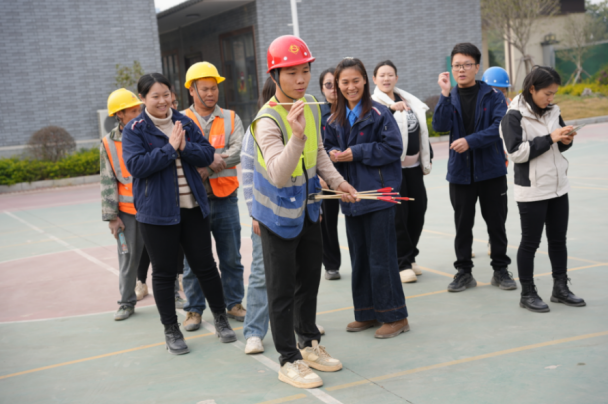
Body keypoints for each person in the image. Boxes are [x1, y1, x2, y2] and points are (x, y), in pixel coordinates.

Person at [251, 35, 358, 389]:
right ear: (275, 75)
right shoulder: (266, 120)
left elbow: (320, 152)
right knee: (281, 290)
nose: (301, 79)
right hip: (276, 217)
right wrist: (296, 137)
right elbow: (279, 174)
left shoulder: (310, 104)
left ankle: (308, 344)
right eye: (291, 73)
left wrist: (339, 182)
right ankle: (288, 359)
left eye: (305, 71)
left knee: (309, 282)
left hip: (310, 211)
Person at [123, 73, 236, 355]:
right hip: (156, 214)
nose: (163, 101)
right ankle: (171, 330)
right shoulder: (135, 129)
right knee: (163, 273)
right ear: (143, 98)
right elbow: (137, 166)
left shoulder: (183, 122)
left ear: (173, 95)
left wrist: (185, 146)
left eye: (166, 94)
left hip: (193, 208)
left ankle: (221, 318)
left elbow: (208, 154)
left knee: (206, 266)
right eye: (155, 96)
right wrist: (170, 148)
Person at [325, 57, 409, 339]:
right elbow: (326, 150)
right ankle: (367, 312)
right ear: (337, 85)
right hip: (351, 197)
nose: (351, 87)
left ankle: (396, 316)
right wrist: (332, 156)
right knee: (359, 257)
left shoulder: (379, 113)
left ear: (365, 81)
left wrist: (356, 152)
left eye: (355, 81)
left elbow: (394, 148)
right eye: (344, 82)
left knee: (381, 257)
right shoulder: (333, 119)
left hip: (379, 196)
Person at [500, 66, 585, 313]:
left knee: (558, 240)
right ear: (532, 89)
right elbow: (516, 153)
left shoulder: (553, 111)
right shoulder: (513, 116)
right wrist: (550, 138)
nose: (551, 98)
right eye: (547, 93)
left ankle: (560, 288)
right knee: (530, 243)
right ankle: (527, 293)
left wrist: (565, 140)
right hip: (532, 189)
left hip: (558, 186)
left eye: (554, 94)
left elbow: (558, 144)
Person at [432, 43, 516, 293]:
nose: (461, 70)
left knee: (496, 224)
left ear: (477, 67)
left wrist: (470, 141)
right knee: (462, 225)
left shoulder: (493, 96)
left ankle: (500, 270)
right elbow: (439, 126)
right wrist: (444, 94)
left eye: (466, 65)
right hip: (460, 173)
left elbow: (499, 127)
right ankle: (464, 273)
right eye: (456, 65)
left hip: (491, 171)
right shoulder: (450, 96)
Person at [179, 62, 247, 332]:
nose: (210, 93)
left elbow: (240, 150)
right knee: (192, 260)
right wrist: (214, 158)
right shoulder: (179, 119)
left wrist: (208, 165)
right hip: (192, 202)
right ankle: (193, 310)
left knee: (231, 256)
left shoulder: (231, 118)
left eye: (214, 88)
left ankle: (234, 303)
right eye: (205, 89)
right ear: (191, 90)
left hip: (225, 197)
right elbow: (178, 154)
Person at [371, 60, 434, 284]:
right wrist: (390, 109)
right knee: (398, 217)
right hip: (391, 171)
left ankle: (410, 255)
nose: (386, 79)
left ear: (396, 78)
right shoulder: (373, 104)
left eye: (390, 75)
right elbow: (373, 126)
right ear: (374, 79)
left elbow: (420, 130)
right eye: (382, 75)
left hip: (414, 169)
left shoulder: (408, 99)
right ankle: (402, 262)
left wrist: (427, 155)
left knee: (418, 211)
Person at [100, 88, 144, 321]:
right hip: (127, 214)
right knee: (127, 259)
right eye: (133, 111)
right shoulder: (108, 143)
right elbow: (107, 181)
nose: (138, 114)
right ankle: (127, 302)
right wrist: (112, 217)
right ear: (119, 114)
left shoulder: (150, 132)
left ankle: (174, 296)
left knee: (165, 257)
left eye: (139, 110)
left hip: (155, 208)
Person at [481, 66, 512, 258]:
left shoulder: (511, 107)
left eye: (502, 90)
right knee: (466, 213)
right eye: (494, 89)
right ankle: (465, 246)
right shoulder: (479, 105)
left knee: (498, 210)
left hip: (498, 165)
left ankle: (494, 240)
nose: (499, 93)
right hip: (476, 164)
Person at [318, 67, 342, 280]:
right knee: (328, 223)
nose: (333, 89)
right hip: (326, 177)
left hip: (352, 172)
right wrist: (320, 175)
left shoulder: (352, 110)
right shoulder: (316, 113)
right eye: (328, 85)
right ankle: (331, 265)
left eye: (336, 84)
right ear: (322, 89)